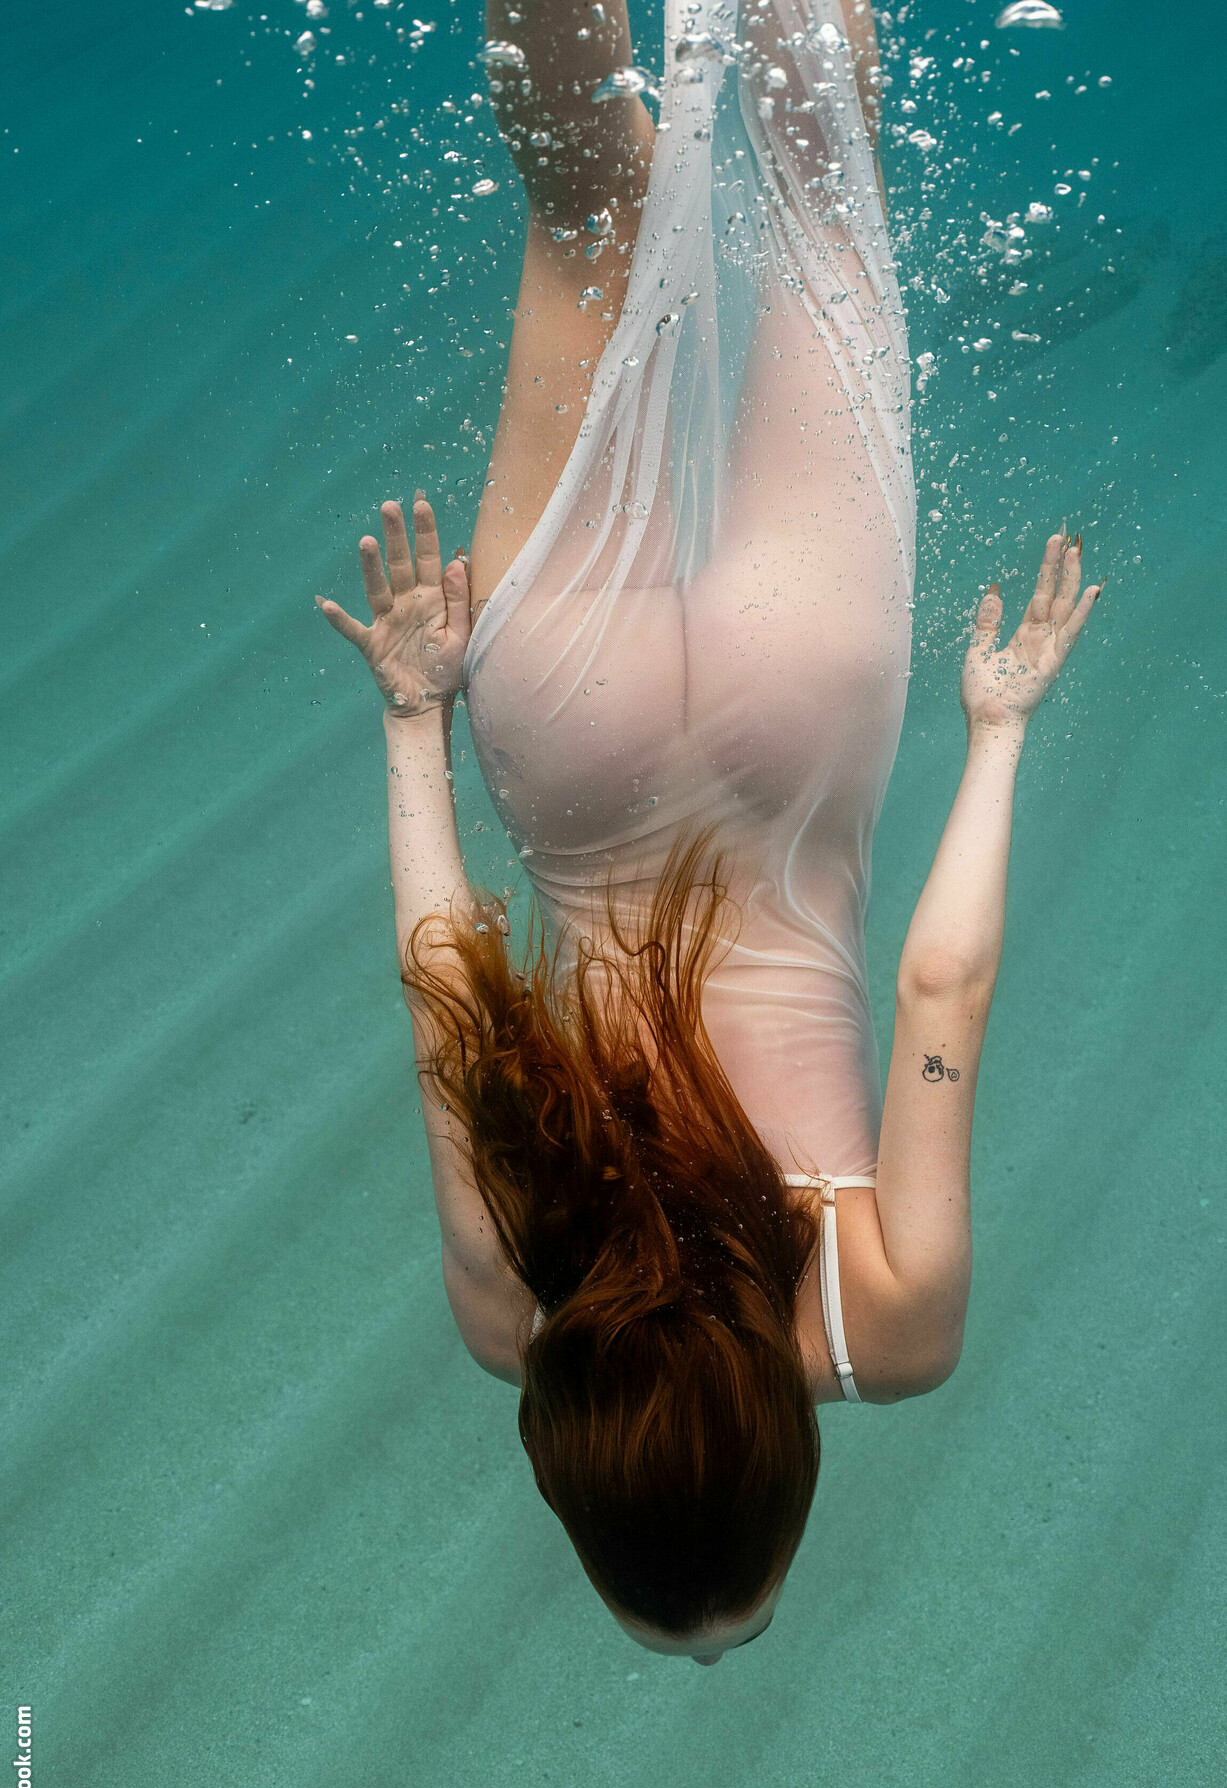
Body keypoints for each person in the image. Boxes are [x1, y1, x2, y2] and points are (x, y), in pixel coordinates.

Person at [317, 0, 1102, 1664]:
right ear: (576, 1479)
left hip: (799, 718)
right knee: (584, 198)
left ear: (784, 1482)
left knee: (817, 163)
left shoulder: (887, 1325)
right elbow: (442, 986)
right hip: (568, 727)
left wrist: (999, 733)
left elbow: (944, 991)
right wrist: (409, 717)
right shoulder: (517, 1312)